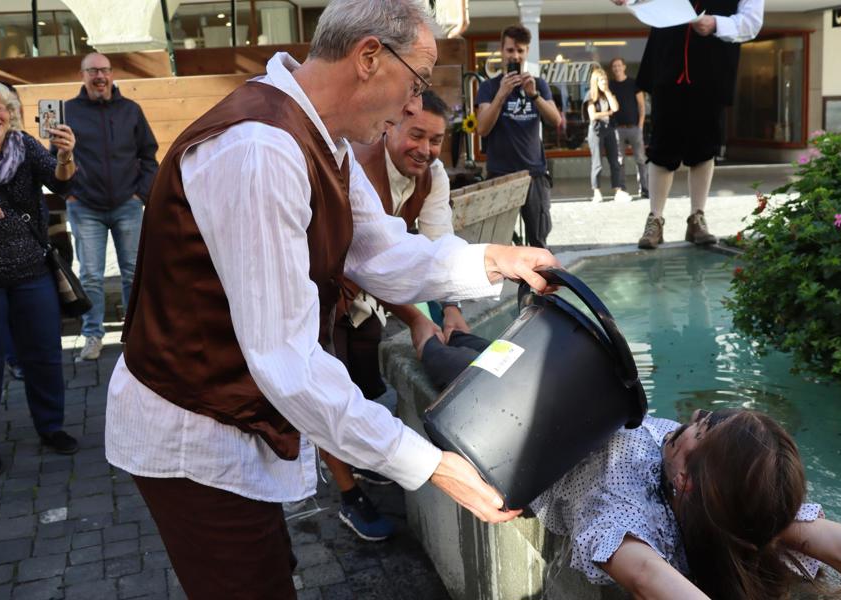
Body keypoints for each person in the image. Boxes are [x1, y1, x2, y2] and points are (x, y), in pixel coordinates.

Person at [103, 1, 560, 597]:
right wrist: (433, 466)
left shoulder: (318, 134)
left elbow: (379, 253)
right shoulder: (261, 151)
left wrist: (495, 259)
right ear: (369, 57)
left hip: (237, 414)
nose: (412, 106)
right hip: (195, 432)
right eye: (416, 81)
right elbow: (288, 363)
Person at [530, 408, 841, 599]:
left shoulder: (742, 491)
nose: (695, 416)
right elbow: (645, 576)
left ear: (685, 479)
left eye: (700, 429)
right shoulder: (619, 498)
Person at [324, 90, 471, 542]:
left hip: (369, 301)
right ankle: (350, 497)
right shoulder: (356, 166)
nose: (425, 150)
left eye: (436, 139)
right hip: (326, 295)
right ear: (391, 126)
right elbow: (361, 257)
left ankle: (367, 464)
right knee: (327, 393)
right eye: (417, 135)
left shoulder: (434, 175)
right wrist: (414, 319)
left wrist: (451, 308)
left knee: (366, 388)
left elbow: (437, 242)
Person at [609, 0, 763, 249]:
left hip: (712, 68)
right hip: (667, 62)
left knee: (705, 145)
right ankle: (655, 219)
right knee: (661, 147)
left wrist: (716, 23)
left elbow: (752, 23)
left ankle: (697, 218)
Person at [0, 77, 80, 477]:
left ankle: (51, 427)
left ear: (9, 111)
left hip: (32, 271)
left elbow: (62, 182)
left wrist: (65, 155)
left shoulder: (24, 145)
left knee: (43, 355)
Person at [62, 52, 158, 361]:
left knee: (132, 272)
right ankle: (92, 335)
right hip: (85, 205)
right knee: (90, 275)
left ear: (112, 74)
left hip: (127, 205)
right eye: (92, 71)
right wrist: (70, 193)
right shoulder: (68, 112)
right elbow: (55, 157)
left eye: (104, 70)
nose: (99, 76)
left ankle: (133, 335)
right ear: (83, 75)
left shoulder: (131, 110)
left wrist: (140, 195)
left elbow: (148, 155)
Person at [475, 25, 563, 249]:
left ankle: (533, 284)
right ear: (502, 51)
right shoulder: (488, 87)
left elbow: (555, 120)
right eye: (511, 50)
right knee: (498, 243)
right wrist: (501, 95)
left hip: (533, 173)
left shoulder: (538, 84)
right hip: (500, 174)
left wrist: (533, 95)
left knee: (538, 241)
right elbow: (482, 128)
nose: (515, 56)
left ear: (526, 53)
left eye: (520, 51)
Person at [586, 68, 629, 204]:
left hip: (609, 129)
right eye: (601, 80)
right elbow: (592, 115)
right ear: (595, 81)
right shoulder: (590, 96)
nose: (604, 82)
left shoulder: (608, 94)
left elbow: (616, 108)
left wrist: (607, 92)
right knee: (597, 162)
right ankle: (596, 192)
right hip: (596, 131)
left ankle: (618, 190)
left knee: (615, 161)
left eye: (605, 79)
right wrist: (608, 113)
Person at [608, 57, 648, 198]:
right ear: (612, 69)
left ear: (624, 67)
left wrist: (641, 125)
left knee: (640, 159)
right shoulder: (610, 85)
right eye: (614, 66)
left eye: (619, 65)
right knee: (620, 161)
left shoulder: (633, 83)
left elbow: (642, 105)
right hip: (617, 128)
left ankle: (644, 188)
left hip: (634, 128)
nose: (617, 68)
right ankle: (623, 189)